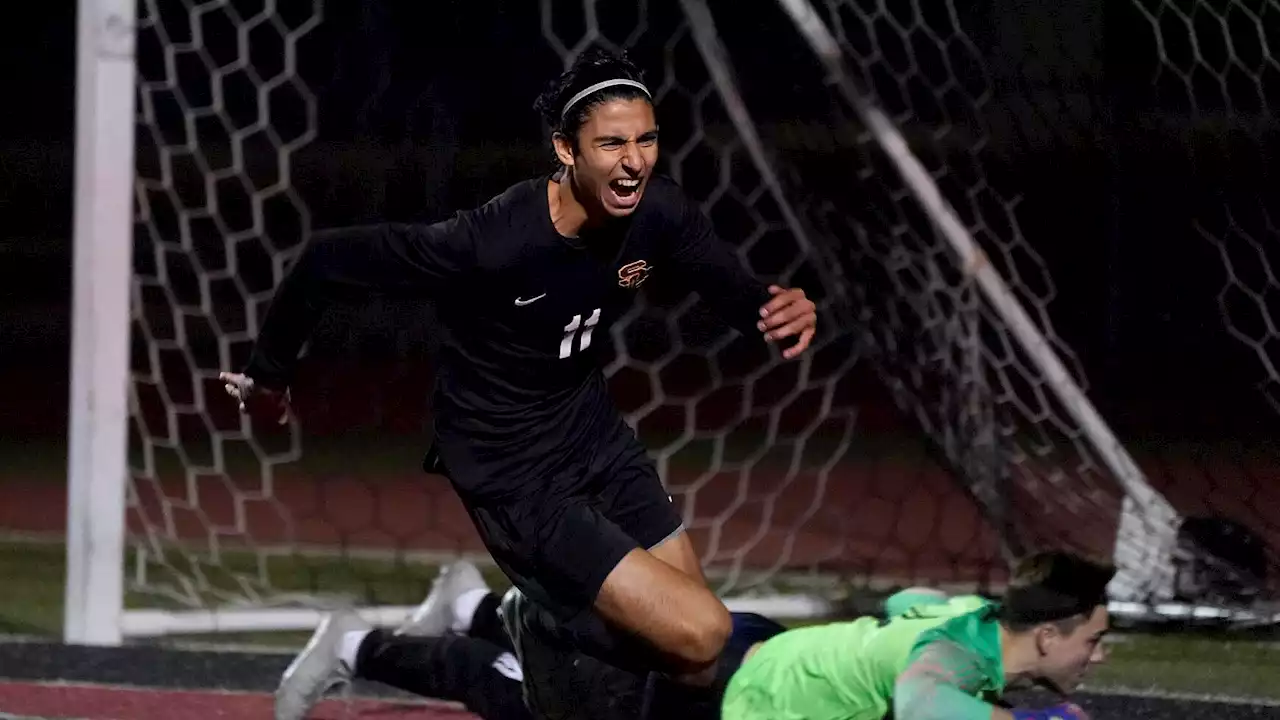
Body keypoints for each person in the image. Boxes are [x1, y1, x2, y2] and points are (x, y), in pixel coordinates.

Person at [221, 46, 817, 719]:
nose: (635, 161)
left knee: (690, 657)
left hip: (593, 435)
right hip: (513, 472)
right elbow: (326, 258)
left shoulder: (660, 215)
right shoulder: (493, 243)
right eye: (612, 142)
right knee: (700, 632)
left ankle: (488, 616)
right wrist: (268, 377)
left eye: (647, 139)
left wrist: (778, 307)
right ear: (566, 148)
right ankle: (515, 625)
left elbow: (738, 296)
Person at [273, 560, 786, 720]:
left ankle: (473, 607)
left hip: (740, 652)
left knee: (593, 663)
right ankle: (355, 644)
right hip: (722, 681)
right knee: (538, 703)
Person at [722, 550, 1114, 720]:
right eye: (1093, 641)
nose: (1099, 657)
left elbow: (907, 600)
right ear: (1046, 637)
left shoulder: (977, 615)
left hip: (778, 654)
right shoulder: (958, 653)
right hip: (763, 700)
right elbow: (919, 707)